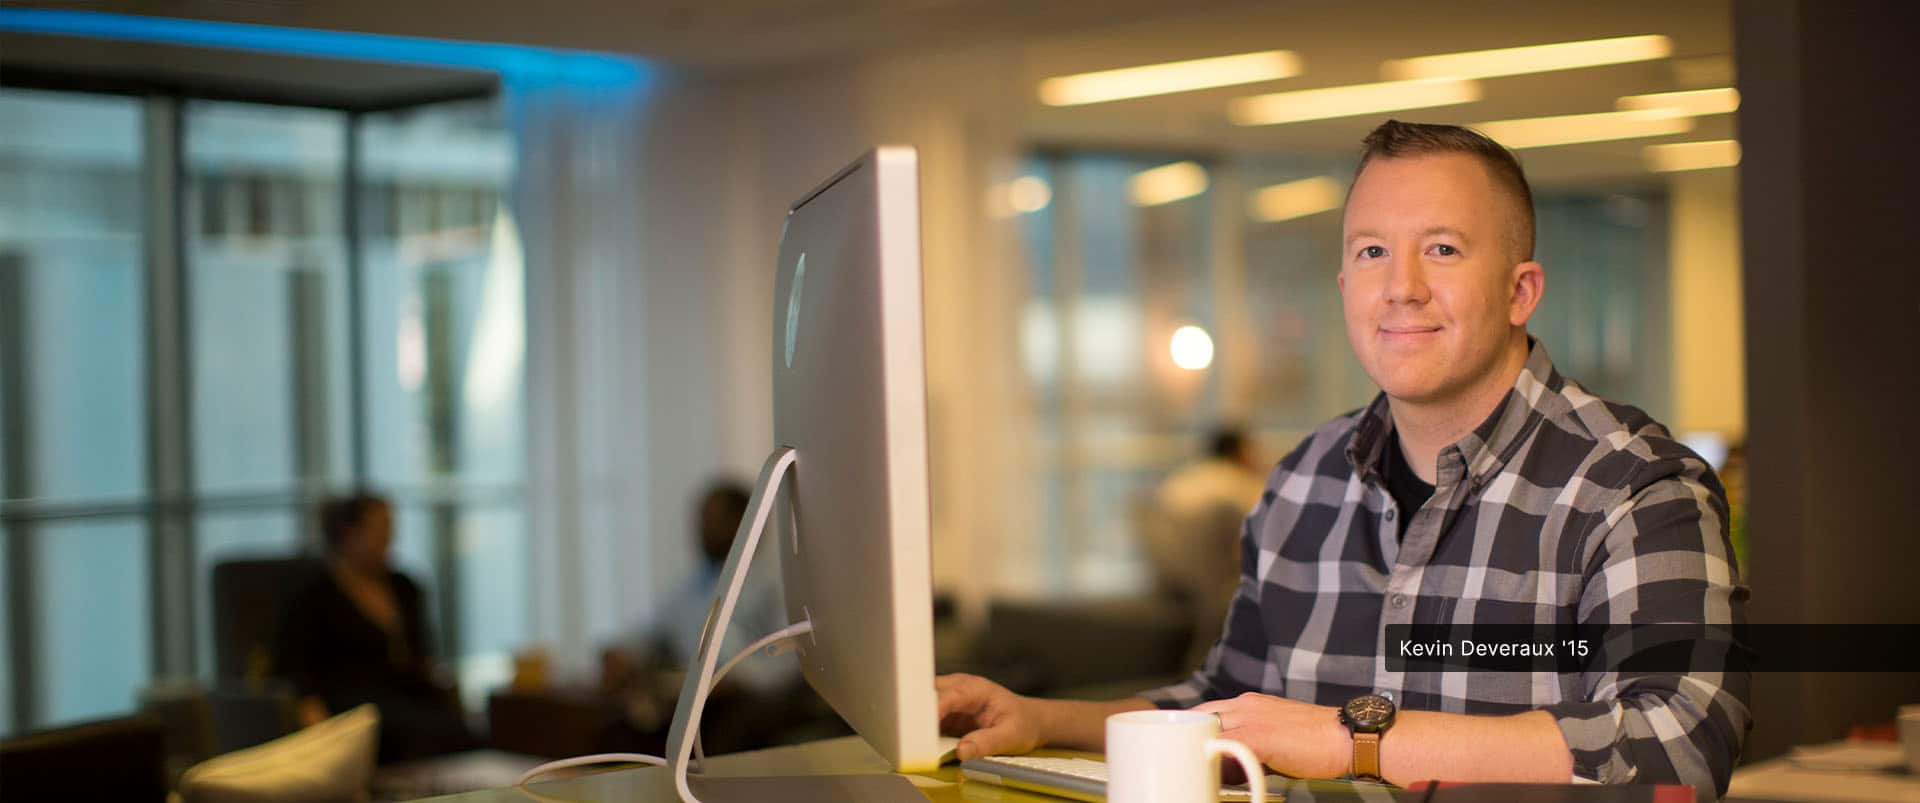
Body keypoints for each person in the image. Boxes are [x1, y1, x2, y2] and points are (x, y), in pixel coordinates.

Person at [938, 120, 1750, 797]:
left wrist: (1356, 739)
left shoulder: (1634, 487)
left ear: (1520, 290)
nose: (1399, 287)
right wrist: (1045, 719)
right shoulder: (1303, 480)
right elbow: (1230, 702)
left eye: (1441, 249)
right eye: (1370, 252)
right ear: (1343, 283)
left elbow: (1679, 744)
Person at [274, 493, 475, 763]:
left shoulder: (404, 586)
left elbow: (423, 654)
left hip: (407, 695)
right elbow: (293, 667)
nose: (388, 537)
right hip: (352, 705)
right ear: (349, 533)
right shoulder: (315, 595)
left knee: (461, 729)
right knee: (415, 732)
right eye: (378, 528)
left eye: (391, 527)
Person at [1142, 426, 1266, 667]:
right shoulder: (1237, 483)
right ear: (1240, 451)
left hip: (1172, 576)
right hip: (1215, 583)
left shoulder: (1183, 479)